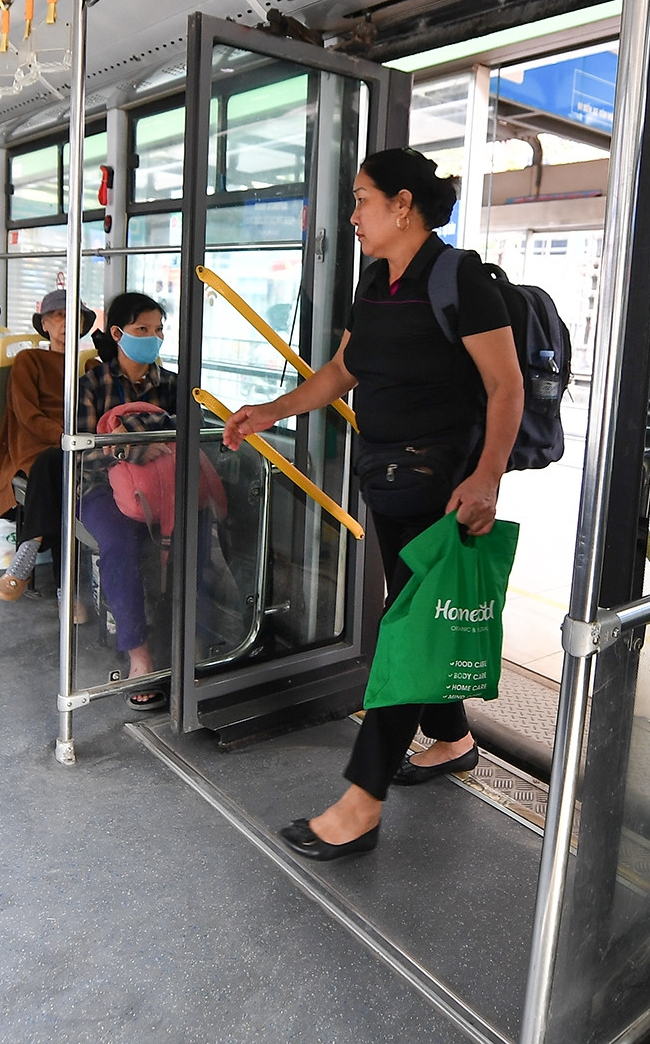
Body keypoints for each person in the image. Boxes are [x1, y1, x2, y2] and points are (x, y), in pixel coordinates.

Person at [224, 148, 523, 861]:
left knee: (406, 631)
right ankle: (451, 737)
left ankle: (361, 802)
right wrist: (271, 411)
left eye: (362, 200)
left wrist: (487, 478)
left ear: (403, 205)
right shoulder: (375, 279)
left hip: (443, 489)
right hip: (386, 477)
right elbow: (342, 370)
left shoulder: (461, 280)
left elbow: (505, 386)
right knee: (415, 613)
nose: (353, 215)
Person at [15, 291, 176, 710]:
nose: (154, 337)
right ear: (119, 334)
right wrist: (135, 449)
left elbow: (181, 440)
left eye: (158, 330)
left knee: (194, 535)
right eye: (143, 329)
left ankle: (193, 639)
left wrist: (131, 442)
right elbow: (85, 452)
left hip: (160, 487)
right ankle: (139, 654)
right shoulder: (92, 384)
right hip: (98, 487)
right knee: (120, 544)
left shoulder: (172, 384)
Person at [0, 288, 90, 601]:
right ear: (44, 324)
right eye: (58, 316)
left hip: (81, 444)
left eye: (73, 317)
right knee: (55, 471)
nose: (66, 323)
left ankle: (32, 550)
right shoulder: (28, 360)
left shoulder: (91, 365)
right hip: (37, 444)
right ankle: (65, 592)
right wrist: (63, 439)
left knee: (61, 472)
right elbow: (27, 414)